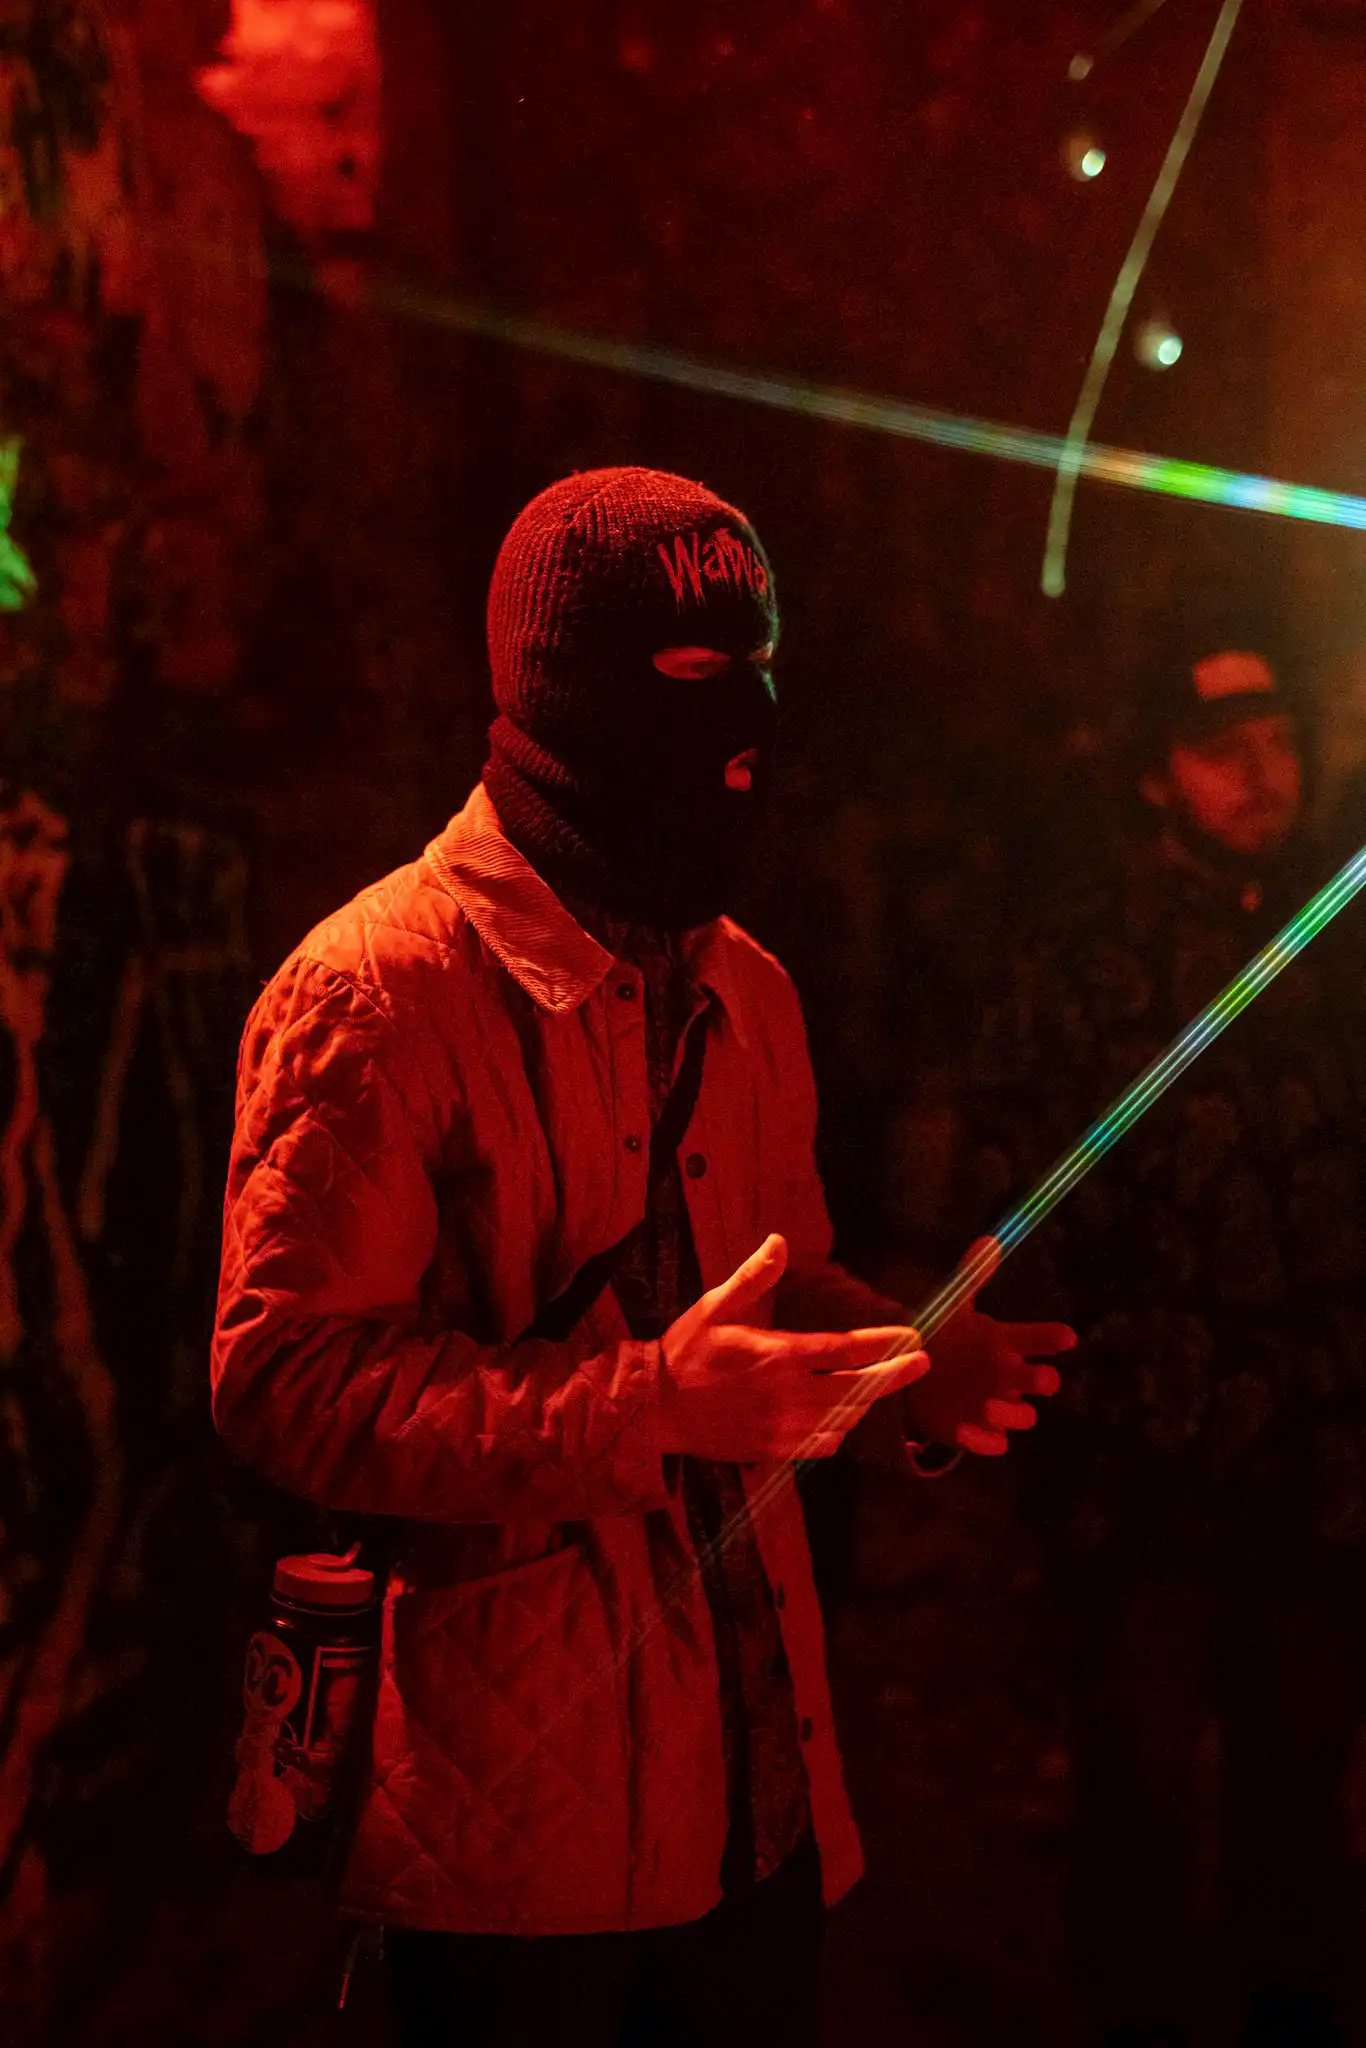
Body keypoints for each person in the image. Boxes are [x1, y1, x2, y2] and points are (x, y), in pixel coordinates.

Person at [211, 466, 1071, 2048]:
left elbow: (769, 1279)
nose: (741, 719)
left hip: (756, 1793)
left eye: (760, 668)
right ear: (567, 689)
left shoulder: (747, 985)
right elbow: (283, 1380)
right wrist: (643, 1407)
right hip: (508, 1840)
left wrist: (899, 1369)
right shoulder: (377, 992)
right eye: (688, 669)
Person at [961, 642, 1366, 2048]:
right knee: (1135, 1803)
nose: (1262, 774)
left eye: (1278, 739)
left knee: (1297, 1803)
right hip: (1138, 1482)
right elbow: (1014, 1210)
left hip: (1317, 1475)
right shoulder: (1080, 965)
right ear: (1155, 776)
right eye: (1220, 748)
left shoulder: (1336, 948)